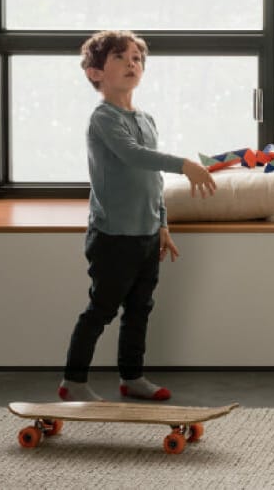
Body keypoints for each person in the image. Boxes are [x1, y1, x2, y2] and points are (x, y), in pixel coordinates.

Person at [58, 30, 216, 402]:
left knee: (140, 309)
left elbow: (152, 178)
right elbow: (133, 156)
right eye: (119, 58)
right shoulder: (103, 119)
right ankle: (73, 381)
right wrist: (186, 165)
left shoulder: (147, 119)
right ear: (95, 73)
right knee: (102, 309)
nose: (132, 63)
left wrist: (162, 224)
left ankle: (132, 377)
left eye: (137, 59)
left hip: (146, 235)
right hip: (113, 236)